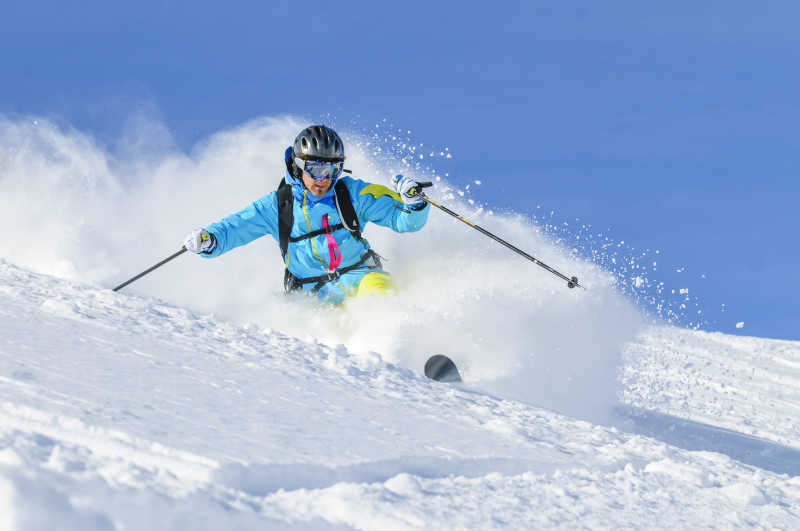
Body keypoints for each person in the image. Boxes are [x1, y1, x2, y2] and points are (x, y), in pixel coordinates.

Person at [182, 125, 430, 304]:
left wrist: (413, 203)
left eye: (333, 169)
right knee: (331, 337)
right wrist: (210, 240)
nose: (324, 179)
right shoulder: (279, 205)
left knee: (383, 299)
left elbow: (404, 221)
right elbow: (235, 227)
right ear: (298, 166)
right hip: (312, 293)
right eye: (315, 168)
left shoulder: (353, 194)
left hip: (361, 276)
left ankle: (418, 357)